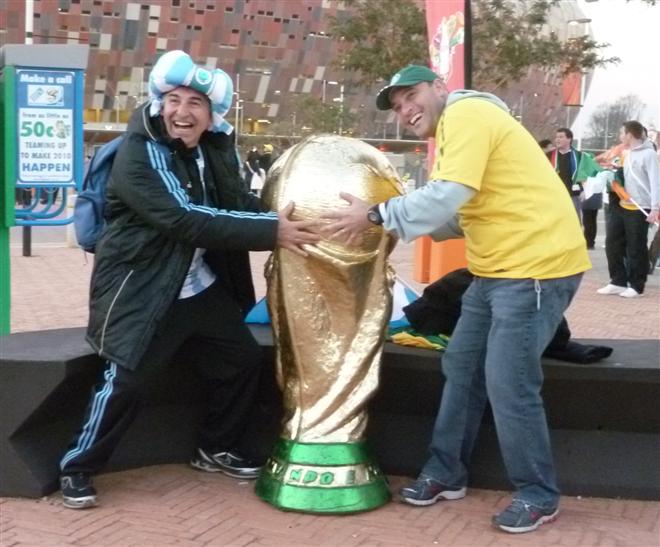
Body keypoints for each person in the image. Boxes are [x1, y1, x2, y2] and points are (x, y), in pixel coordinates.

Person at [323, 65, 590, 534]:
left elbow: (444, 197)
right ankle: (446, 472)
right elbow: (455, 217)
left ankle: (538, 494)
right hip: (495, 271)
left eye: (411, 95)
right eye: (397, 104)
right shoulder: (454, 131)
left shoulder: (465, 115)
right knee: (462, 367)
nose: (406, 109)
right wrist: (386, 225)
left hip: (535, 269)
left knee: (508, 381)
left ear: (439, 88)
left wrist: (376, 213)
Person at [58, 50, 319, 510]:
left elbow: (235, 201)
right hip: (144, 286)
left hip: (198, 285)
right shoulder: (139, 154)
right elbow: (186, 218)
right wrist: (273, 230)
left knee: (242, 359)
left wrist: (290, 218)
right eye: (174, 99)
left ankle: (214, 447)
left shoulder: (215, 150)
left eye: (195, 103)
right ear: (159, 102)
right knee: (126, 383)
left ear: (210, 114)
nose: (182, 111)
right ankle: (77, 467)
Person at [597, 121, 660, 298]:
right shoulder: (625, 152)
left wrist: (655, 207)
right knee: (613, 243)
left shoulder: (649, 155)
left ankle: (636, 284)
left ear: (630, 135)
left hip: (640, 206)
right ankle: (617, 280)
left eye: (622, 133)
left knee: (636, 246)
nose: (620, 136)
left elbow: (656, 182)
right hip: (621, 203)